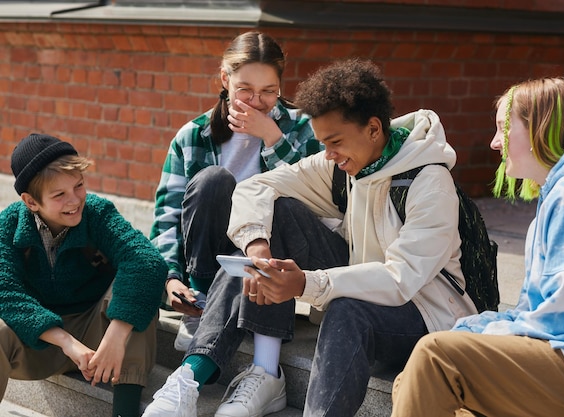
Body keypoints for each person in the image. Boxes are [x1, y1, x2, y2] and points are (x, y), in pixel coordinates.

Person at [142, 58, 477, 417]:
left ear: (374, 129)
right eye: (323, 144)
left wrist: (305, 283)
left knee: (348, 310)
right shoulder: (340, 165)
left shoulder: (430, 182)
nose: (328, 155)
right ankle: (191, 380)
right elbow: (257, 187)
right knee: (277, 215)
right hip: (356, 277)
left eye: (334, 142)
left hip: (422, 313)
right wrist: (258, 248)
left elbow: (400, 278)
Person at [390, 78, 564, 417]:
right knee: (414, 382)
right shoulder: (562, 196)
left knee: (436, 357)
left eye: (503, 128)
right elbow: (539, 311)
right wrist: (477, 328)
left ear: (538, 129)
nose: (494, 143)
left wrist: (484, 331)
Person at [149, 31, 321, 352]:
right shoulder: (192, 136)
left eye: (269, 91)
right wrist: (171, 278)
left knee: (278, 203)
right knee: (213, 180)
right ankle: (199, 305)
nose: (257, 102)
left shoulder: (303, 128)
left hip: (271, 252)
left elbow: (315, 199)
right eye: (245, 90)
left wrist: (273, 138)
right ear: (225, 80)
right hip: (209, 256)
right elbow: (168, 218)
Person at [0, 133, 168, 417]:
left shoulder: (98, 213)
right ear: (31, 202)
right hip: (42, 342)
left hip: (99, 332)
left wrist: (116, 334)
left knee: (136, 293)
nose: (75, 200)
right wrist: (67, 343)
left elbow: (147, 261)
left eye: (79, 186)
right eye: (59, 195)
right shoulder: (9, 224)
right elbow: (6, 292)